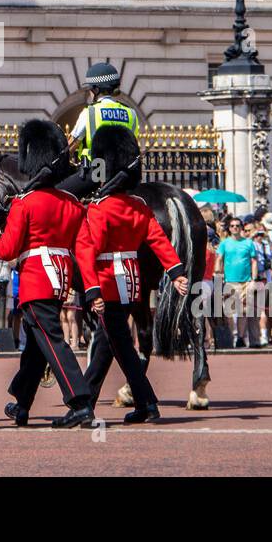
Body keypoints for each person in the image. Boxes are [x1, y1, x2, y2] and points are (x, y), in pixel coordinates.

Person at [0, 120, 95, 428]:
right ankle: (22, 402)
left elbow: (7, 250)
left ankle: (80, 401)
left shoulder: (24, 203)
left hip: (37, 280)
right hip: (60, 279)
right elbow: (81, 246)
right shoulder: (72, 203)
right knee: (35, 345)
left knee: (52, 341)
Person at [75, 125, 187, 425]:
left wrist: (92, 291)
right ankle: (135, 403)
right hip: (132, 283)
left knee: (114, 344)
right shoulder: (138, 206)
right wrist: (174, 270)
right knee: (114, 343)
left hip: (109, 283)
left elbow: (87, 251)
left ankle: (91, 404)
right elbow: (158, 240)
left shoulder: (99, 209)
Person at [214, 216, 258, 347]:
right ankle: (232, 335)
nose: (235, 228)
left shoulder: (248, 243)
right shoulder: (224, 243)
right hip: (230, 281)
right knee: (229, 311)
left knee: (243, 311)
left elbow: (254, 261)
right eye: (232, 226)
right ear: (229, 228)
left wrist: (254, 279)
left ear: (241, 228)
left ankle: (240, 337)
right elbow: (219, 259)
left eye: (237, 226)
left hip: (245, 281)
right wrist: (218, 273)